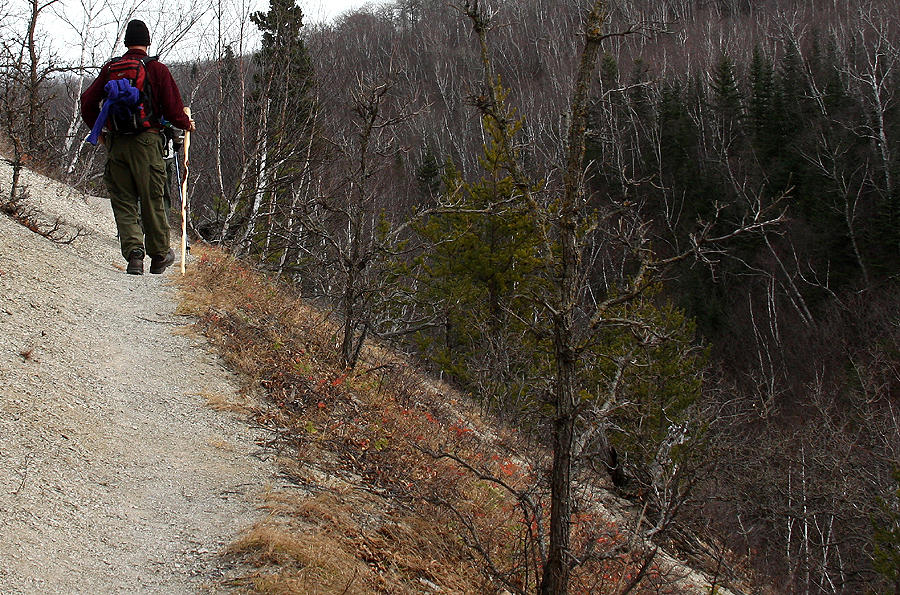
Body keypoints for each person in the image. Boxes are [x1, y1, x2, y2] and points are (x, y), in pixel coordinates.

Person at [80, 19, 195, 275]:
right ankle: (159, 255)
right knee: (152, 198)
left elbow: (87, 102)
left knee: (124, 201)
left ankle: (134, 256)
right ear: (148, 41)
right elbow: (174, 111)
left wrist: (99, 133)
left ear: (125, 43)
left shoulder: (111, 69)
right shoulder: (156, 69)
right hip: (147, 142)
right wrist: (187, 123)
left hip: (117, 143)